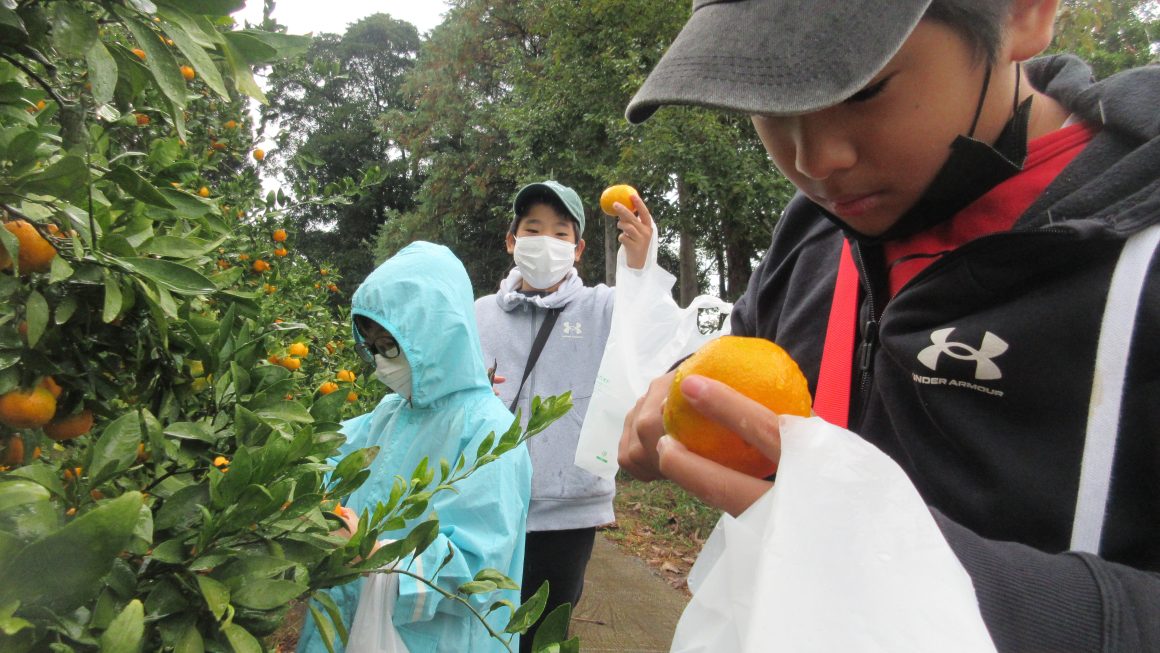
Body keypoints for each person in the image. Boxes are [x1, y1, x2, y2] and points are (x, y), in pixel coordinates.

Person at [618, 0, 1160, 650]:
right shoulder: (815, 230)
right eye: (767, 101)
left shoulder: (1139, 264)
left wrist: (904, 562)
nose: (815, 158)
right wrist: (681, 402)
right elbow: (750, 354)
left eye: (862, 88)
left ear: (1024, 14)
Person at [297, 241, 533, 653]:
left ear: (438, 335)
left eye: (391, 344)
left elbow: (476, 569)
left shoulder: (489, 433)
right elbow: (329, 456)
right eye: (372, 348)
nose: (382, 362)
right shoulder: (392, 412)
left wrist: (370, 552)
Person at [474, 180, 653, 651]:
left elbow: (646, 323)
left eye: (560, 233)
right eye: (533, 230)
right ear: (512, 241)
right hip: (489, 501)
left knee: (544, 633)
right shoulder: (479, 316)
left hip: (568, 506)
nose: (546, 242)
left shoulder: (600, 308)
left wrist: (640, 263)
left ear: (578, 250)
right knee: (480, 621)